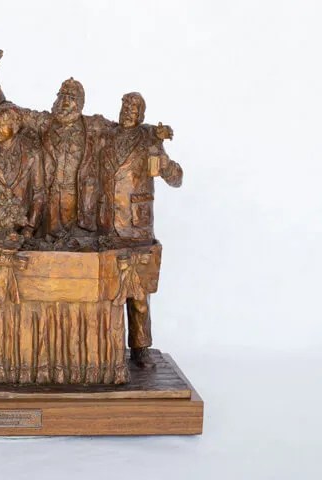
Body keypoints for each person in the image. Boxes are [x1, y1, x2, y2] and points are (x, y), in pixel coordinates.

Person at [98, 92, 183, 368]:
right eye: (124, 106)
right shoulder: (108, 135)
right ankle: (109, 352)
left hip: (137, 227)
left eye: (134, 109)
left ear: (142, 115)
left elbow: (177, 179)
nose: (127, 111)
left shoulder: (149, 139)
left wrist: (165, 165)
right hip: (107, 226)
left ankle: (140, 348)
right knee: (108, 292)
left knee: (138, 295)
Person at [0, 67, 113, 237]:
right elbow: (9, 111)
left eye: (72, 98)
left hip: (81, 201)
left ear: (81, 103)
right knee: (49, 241)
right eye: (62, 96)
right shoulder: (44, 123)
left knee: (79, 243)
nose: (65, 102)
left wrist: (149, 132)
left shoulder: (94, 126)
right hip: (50, 201)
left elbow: (125, 130)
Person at [0, 103, 45, 237]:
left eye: (2, 125)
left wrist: (30, 227)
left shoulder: (32, 153)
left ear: (15, 126)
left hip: (22, 223)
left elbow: (39, 193)